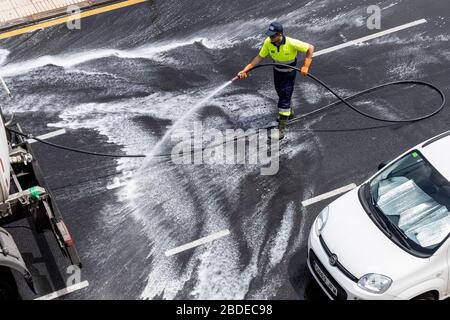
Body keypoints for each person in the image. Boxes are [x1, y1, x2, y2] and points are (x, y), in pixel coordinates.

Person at [237, 22, 314, 139]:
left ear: (280, 34)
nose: (270, 38)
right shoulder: (268, 42)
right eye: (269, 35)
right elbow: (259, 57)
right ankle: (289, 112)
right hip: (277, 72)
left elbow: (310, 48)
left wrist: (306, 66)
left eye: (273, 36)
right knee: (280, 93)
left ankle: (281, 130)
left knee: (283, 99)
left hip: (289, 74)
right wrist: (246, 70)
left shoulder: (291, 42)